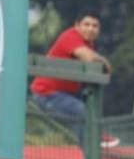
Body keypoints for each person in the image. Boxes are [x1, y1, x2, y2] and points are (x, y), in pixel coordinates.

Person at [29, 10, 114, 145]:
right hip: (47, 94)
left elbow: (102, 70)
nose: (90, 29)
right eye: (86, 25)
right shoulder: (71, 37)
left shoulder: (87, 43)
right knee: (83, 111)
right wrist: (104, 61)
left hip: (66, 93)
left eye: (95, 26)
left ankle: (96, 142)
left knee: (91, 105)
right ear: (77, 26)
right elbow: (90, 59)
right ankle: (93, 154)